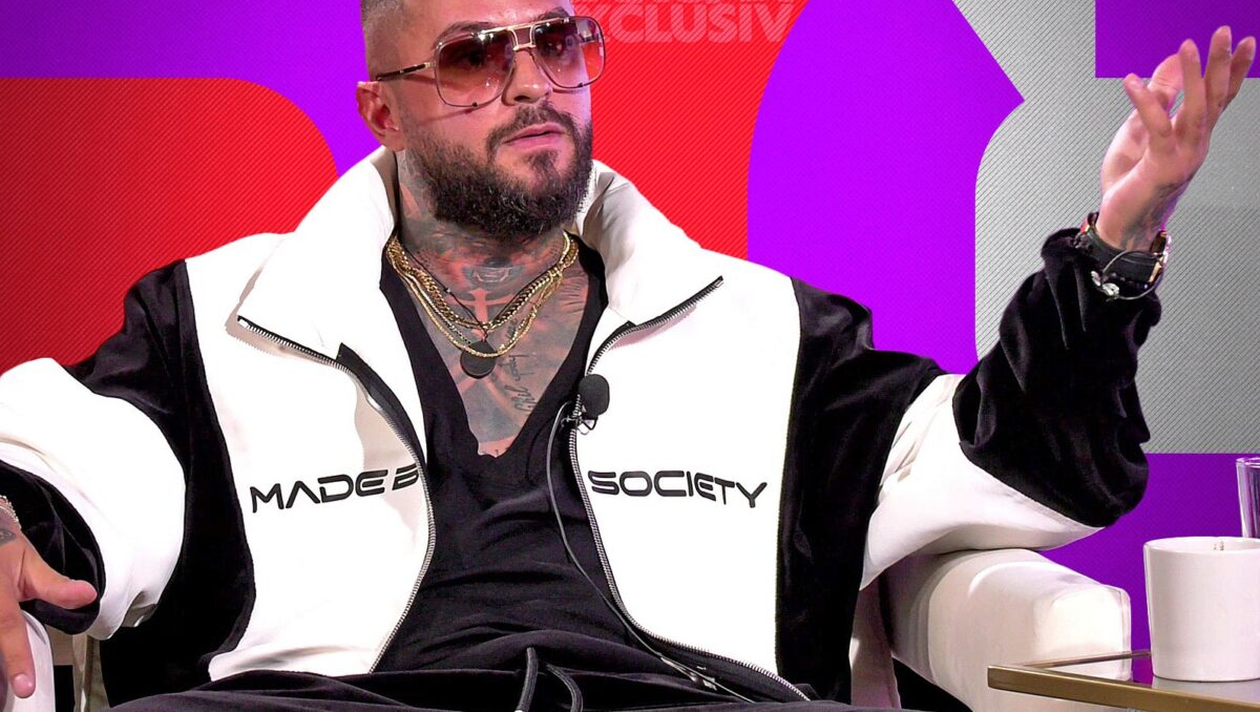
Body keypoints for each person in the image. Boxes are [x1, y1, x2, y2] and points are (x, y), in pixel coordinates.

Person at [0, 0, 1251, 708]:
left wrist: (1114, 249)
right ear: (382, 110)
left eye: (557, 42)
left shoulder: (765, 332)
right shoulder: (221, 316)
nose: (531, 84)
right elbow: (86, 463)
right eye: (474, 57)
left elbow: (1007, 453)